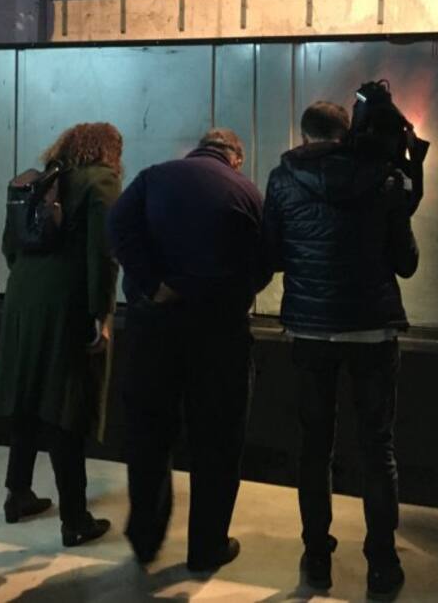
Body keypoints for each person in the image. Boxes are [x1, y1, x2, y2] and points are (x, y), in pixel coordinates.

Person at [263, 100, 419, 599]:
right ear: (347, 132)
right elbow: (407, 262)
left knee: (314, 446)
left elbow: (272, 253)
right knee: (378, 448)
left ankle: (316, 557)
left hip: (310, 330)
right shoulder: (383, 177)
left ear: (304, 134)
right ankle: (382, 563)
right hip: (372, 330)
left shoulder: (282, 179)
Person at [108, 128, 271, 572]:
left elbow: (117, 225)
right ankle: (207, 547)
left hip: (153, 327)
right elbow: (266, 260)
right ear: (236, 158)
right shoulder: (247, 192)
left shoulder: (154, 177)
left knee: (148, 433)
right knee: (218, 440)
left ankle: (145, 538)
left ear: (198, 149)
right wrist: (230, 293)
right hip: (220, 333)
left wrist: (151, 283)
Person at [0, 122, 123, 546]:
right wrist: (101, 311)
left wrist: (29, 281)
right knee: (66, 404)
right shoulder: (100, 181)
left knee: (27, 399)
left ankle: (18, 493)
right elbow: (103, 253)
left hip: (22, 297)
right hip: (66, 301)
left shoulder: (38, 180)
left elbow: (10, 245)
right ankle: (75, 519)